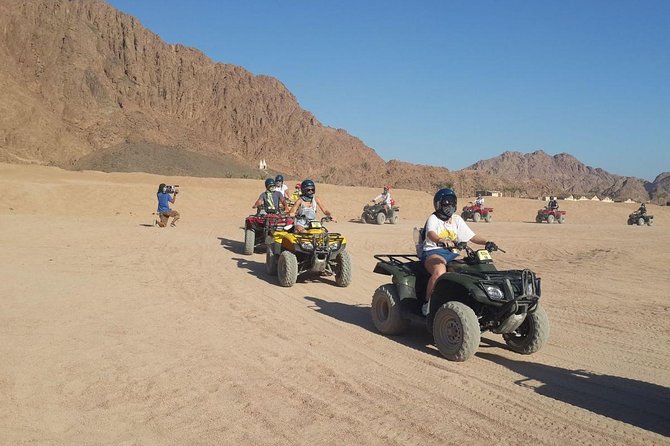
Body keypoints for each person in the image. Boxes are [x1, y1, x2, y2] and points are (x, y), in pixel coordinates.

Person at [420, 188, 495, 316]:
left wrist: (487, 242)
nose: (449, 206)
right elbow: (431, 233)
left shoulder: (457, 220)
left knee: (474, 270)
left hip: (453, 254)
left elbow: (472, 236)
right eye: (446, 203)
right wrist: (441, 240)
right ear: (439, 204)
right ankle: (428, 304)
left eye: (452, 203)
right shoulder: (433, 218)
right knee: (439, 272)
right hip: (433, 252)